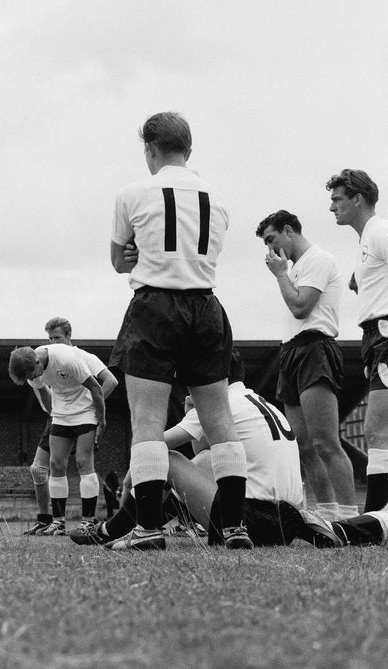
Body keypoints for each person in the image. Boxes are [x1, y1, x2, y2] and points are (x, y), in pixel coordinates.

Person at [109, 112, 251, 551]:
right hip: (207, 307)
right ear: (189, 149)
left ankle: (148, 527)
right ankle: (233, 527)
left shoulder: (132, 193)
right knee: (220, 421)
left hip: (156, 306)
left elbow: (118, 261)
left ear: (150, 149)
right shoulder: (219, 200)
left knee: (147, 422)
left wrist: (137, 253)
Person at [74, 353, 309, 549]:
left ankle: (114, 529)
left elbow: (155, 443)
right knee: (207, 459)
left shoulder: (219, 402)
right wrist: (190, 413)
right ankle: (124, 526)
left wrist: (131, 477)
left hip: (249, 519)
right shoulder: (259, 402)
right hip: (287, 523)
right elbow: (204, 455)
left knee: (165, 457)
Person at [255, 209, 356, 519]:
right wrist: (285, 273)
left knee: (325, 440)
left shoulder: (318, 259)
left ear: (289, 230)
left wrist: (281, 274)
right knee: (303, 444)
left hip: (316, 348)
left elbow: (301, 307)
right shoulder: (294, 267)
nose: (270, 249)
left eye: (272, 239)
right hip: (291, 351)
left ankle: (351, 516)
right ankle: (327, 510)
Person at [327, 169, 388, 512]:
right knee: (381, 430)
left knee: (376, 429)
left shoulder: (379, 231)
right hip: (374, 339)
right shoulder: (366, 240)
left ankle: (377, 513)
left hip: (385, 336)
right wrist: (359, 281)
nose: (332, 207)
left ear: (358, 199)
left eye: (337, 199)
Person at [8, 342, 110, 536]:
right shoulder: (32, 371)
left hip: (85, 411)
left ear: (38, 362)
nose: (33, 378)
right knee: (55, 464)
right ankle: (58, 522)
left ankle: (88, 521)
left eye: (33, 374)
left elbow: (96, 388)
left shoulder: (67, 359)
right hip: (61, 415)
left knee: (83, 462)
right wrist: (54, 415)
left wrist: (101, 420)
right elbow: (44, 393)